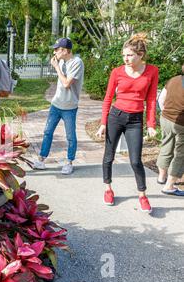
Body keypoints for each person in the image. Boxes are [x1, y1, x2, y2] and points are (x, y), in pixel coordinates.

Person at [95, 33, 158, 213]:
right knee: (109, 156)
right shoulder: (117, 72)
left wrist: (151, 124)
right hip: (116, 116)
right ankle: (108, 189)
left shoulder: (152, 71)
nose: (126, 58)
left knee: (136, 161)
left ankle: (142, 195)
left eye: (129, 55)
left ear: (140, 55)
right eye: (124, 55)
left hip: (135, 120)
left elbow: (151, 99)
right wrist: (103, 123)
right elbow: (108, 98)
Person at [33, 37, 84, 175]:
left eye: (57, 49)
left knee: (70, 136)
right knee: (47, 132)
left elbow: (67, 84)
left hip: (70, 107)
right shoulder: (61, 62)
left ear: (65, 50)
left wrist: (56, 67)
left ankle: (69, 162)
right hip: (56, 104)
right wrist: (57, 65)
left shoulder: (77, 63)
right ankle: (41, 159)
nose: (54, 52)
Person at [156, 63, 184, 196]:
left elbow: (161, 99)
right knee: (181, 154)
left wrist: (165, 113)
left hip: (166, 119)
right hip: (181, 124)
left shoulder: (173, 79)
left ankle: (161, 177)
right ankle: (170, 185)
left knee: (166, 146)